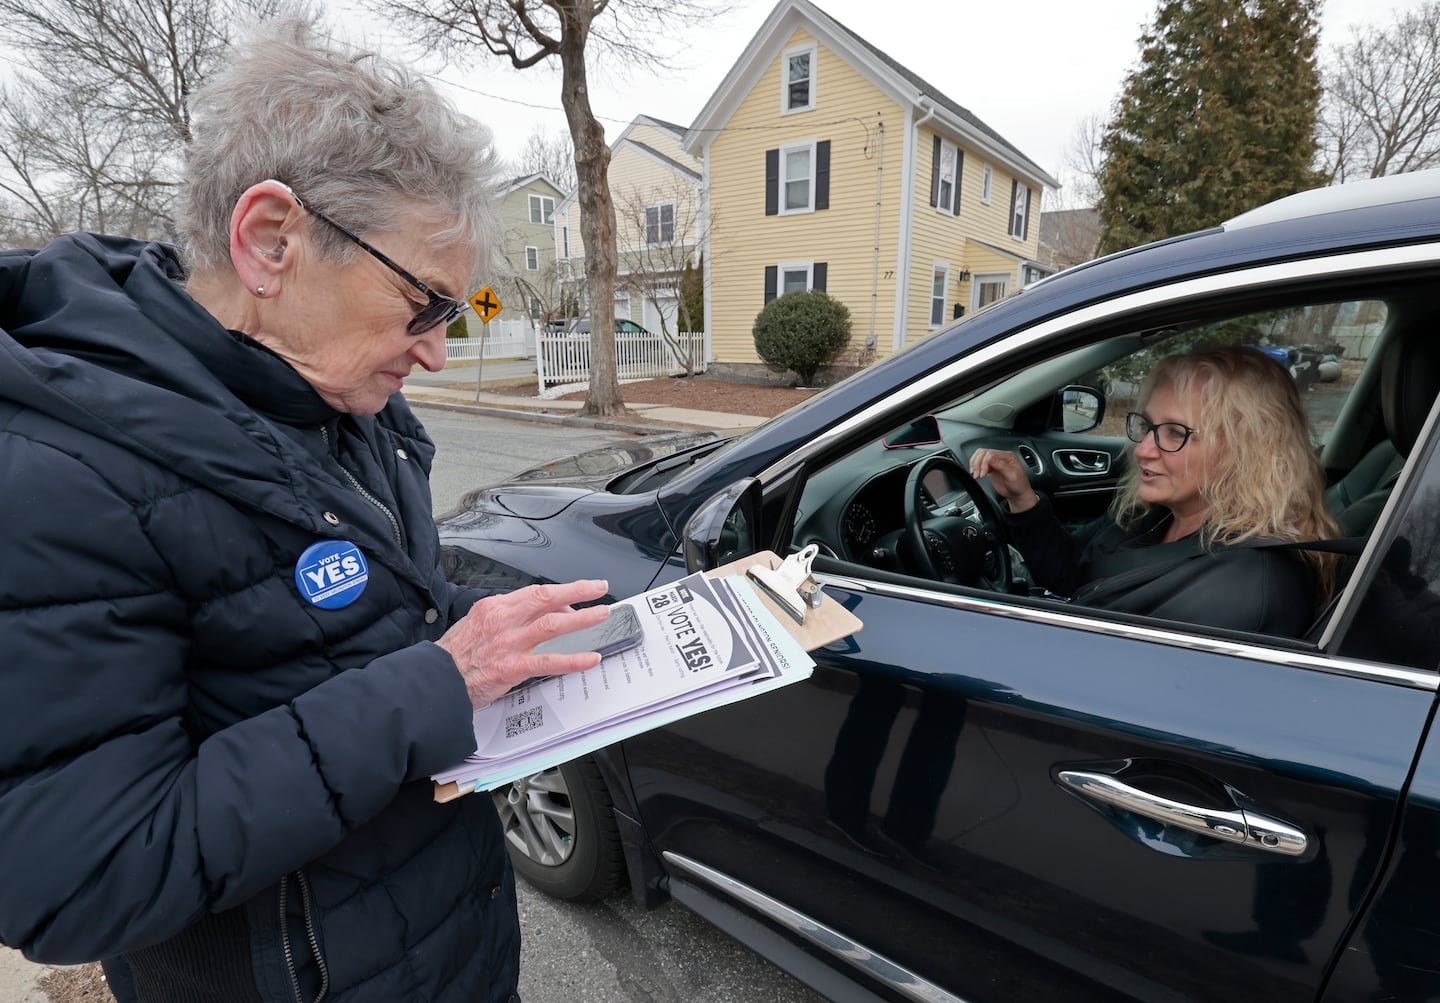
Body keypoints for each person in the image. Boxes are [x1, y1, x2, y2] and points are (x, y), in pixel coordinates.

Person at [0, 21, 614, 1003]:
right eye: (424, 302)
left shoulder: (343, 404)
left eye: (454, 313)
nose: (436, 353)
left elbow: (345, 628)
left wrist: (500, 631)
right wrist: (432, 688)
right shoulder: (62, 469)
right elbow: (76, 878)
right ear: (271, 240)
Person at [970, 345, 1336, 636]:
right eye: (1147, 425)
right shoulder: (1156, 515)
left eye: (1176, 432)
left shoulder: (1242, 590)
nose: (1144, 449)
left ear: (1248, 450)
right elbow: (1076, 574)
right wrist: (1023, 499)